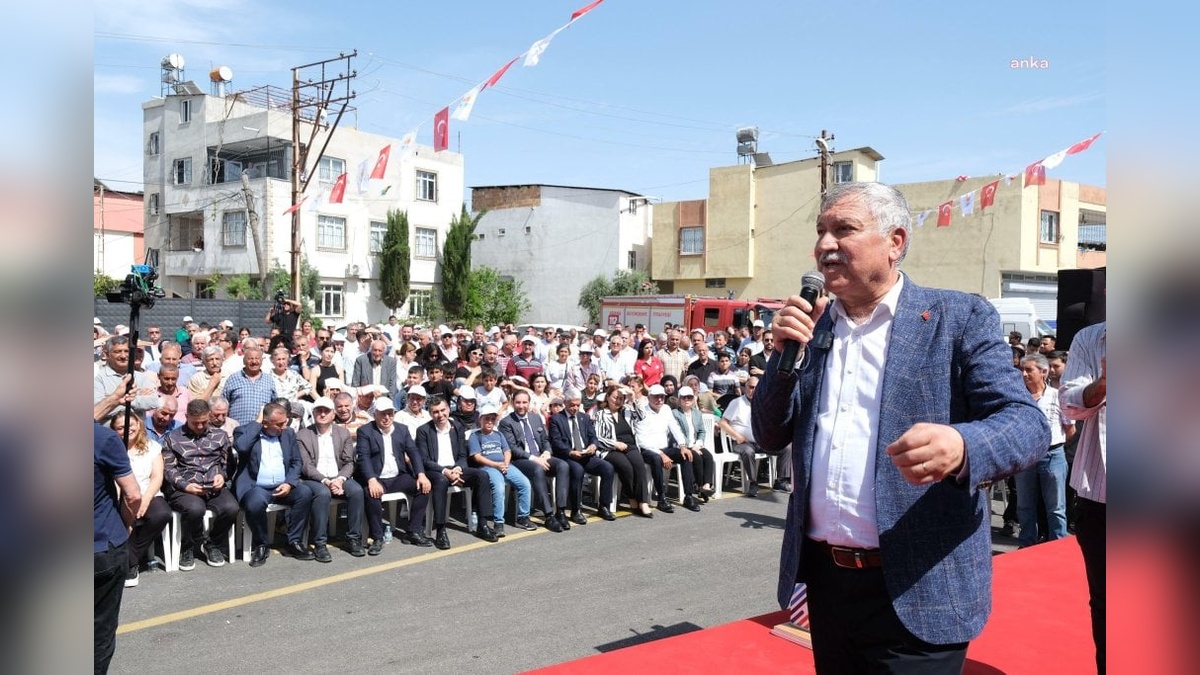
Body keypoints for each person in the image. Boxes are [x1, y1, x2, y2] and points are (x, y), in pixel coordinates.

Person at [753, 181, 1048, 673]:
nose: (825, 245)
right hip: (827, 587)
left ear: (895, 242)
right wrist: (780, 358)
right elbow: (767, 433)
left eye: (843, 230)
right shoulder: (814, 326)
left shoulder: (959, 317)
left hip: (920, 585)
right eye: (821, 231)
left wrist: (962, 443)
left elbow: (1027, 423)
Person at [1058, 321, 1106, 674]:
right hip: (1101, 496)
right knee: (1107, 604)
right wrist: (1105, 384)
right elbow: (1070, 406)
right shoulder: (1091, 339)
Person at [233, 402, 317, 567]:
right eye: (279, 424)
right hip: (256, 487)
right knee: (255, 501)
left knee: (305, 493)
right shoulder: (244, 432)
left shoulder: (288, 434)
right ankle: (261, 544)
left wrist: (290, 483)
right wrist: (257, 424)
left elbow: (296, 462)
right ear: (265, 422)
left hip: (282, 485)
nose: (284, 426)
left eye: (285, 422)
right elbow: (241, 447)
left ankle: (294, 541)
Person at [162, 399, 239, 570]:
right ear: (186, 416)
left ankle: (212, 543)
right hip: (186, 487)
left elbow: (227, 464)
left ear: (209, 416)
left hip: (213, 485)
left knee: (231, 508)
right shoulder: (172, 438)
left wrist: (222, 475)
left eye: (204, 422)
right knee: (195, 509)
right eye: (195, 422)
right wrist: (184, 485)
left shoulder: (220, 435)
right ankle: (188, 546)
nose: (199, 426)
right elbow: (168, 469)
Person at [415, 396, 500, 547]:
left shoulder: (458, 427)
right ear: (430, 414)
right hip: (436, 470)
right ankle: (441, 530)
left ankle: (483, 524)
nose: (440, 415)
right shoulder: (423, 431)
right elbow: (425, 460)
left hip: (456, 468)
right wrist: (445, 471)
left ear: (448, 409)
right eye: (435, 412)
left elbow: (462, 455)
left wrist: (458, 468)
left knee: (482, 475)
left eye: (443, 410)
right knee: (441, 481)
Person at [356, 397, 434, 554]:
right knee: (371, 494)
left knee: (423, 487)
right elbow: (363, 457)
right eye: (383, 414)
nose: (387, 418)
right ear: (375, 414)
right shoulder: (365, 431)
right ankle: (377, 537)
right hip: (377, 477)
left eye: (390, 414)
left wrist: (421, 474)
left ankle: (413, 531)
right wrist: (371, 480)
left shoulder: (402, 429)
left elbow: (413, 452)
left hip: (398, 476)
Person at [95, 422, 142, 674]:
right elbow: (133, 495)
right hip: (103, 546)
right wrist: (125, 524)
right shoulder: (102, 438)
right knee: (99, 630)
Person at [1015, 353, 1074, 548]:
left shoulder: (1057, 396)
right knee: (1025, 506)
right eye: (1022, 370)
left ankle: (1058, 547)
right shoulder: (1017, 397)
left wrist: (1053, 446)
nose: (1024, 374)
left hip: (1053, 455)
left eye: (1029, 370)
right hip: (1025, 456)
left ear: (1043, 372)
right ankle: (1026, 545)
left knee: (1056, 508)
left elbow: (1070, 429)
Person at [297, 397, 365, 559]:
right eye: (318, 411)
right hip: (314, 479)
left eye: (326, 411)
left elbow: (349, 462)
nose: (322, 414)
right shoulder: (302, 435)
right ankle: (320, 542)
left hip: (338, 477)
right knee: (323, 493)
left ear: (333, 414)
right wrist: (326, 481)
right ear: (313, 413)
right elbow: (306, 466)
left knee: (356, 491)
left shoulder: (343, 433)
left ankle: (353, 538)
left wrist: (340, 479)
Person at [110, 413, 171, 587]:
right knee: (122, 520)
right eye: (120, 427)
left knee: (162, 514)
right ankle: (132, 564)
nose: (127, 430)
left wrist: (144, 500)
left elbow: (157, 477)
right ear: (114, 431)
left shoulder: (153, 447)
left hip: (148, 492)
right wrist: (127, 502)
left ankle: (131, 556)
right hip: (121, 494)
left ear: (139, 425)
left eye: (130, 425)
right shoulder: (111, 448)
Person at [500, 390, 569, 532]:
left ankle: (561, 511)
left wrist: (546, 452)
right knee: (537, 470)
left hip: (540, 456)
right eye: (518, 402)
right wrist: (534, 458)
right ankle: (549, 515)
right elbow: (512, 448)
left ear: (529, 403)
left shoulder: (535, 417)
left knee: (563, 466)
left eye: (524, 402)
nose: (521, 406)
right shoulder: (506, 422)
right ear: (513, 403)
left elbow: (545, 439)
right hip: (521, 460)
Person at [548, 388, 616, 523]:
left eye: (577, 405)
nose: (575, 408)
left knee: (607, 468)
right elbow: (556, 442)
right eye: (572, 405)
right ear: (565, 403)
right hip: (568, 455)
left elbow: (593, 436)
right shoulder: (556, 419)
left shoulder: (584, 417)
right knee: (578, 471)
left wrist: (593, 446)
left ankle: (604, 506)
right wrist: (570, 452)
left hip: (585, 454)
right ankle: (576, 510)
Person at [632, 384, 701, 513]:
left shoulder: (666, 409)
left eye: (662, 397)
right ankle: (661, 498)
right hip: (648, 449)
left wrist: (683, 446)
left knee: (686, 455)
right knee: (657, 459)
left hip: (664, 448)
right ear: (649, 397)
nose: (659, 399)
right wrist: (661, 454)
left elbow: (675, 428)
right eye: (656, 397)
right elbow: (642, 440)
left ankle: (688, 496)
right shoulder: (642, 411)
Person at [469, 402, 534, 537]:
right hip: (488, 467)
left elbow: (507, 450)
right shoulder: (475, 436)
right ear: (480, 419)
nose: (490, 421)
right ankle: (499, 523)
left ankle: (523, 517)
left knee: (525, 483)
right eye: (486, 418)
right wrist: (495, 465)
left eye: (492, 419)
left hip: (504, 465)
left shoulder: (499, 434)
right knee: (498, 487)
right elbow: (477, 457)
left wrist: (505, 463)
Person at [591, 384, 653, 517]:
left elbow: (642, 416)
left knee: (639, 467)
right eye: (614, 398)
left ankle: (643, 501)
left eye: (620, 398)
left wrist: (633, 397)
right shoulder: (601, 414)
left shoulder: (627, 411)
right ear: (607, 397)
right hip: (610, 449)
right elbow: (598, 438)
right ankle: (632, 497)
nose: (617, 401)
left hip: (630, 446)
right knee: (626, 467)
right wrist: (615, 444)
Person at [673, 386, 716, 502]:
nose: (687, 399)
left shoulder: (697, 413)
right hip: (682, 446)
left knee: (708, 456)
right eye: (684, 397)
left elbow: (702, 431)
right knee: (696, 457)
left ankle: (706, 486)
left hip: (695, 444)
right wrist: (690, 446)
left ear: (693, 399)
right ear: (679, 399)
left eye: (690, 397)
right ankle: (701, 486)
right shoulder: (675, 414)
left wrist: (698, 443)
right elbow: (678, 433)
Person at [222, 344, 276, 426]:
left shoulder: (269, 380)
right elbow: (224, 403)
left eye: (257, 358)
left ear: (262, 360)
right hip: (238, 429)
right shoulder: (233, 378)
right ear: (244, 361)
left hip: (261, 430)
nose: (254, 362)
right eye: (250, 359)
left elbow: (274, 405)